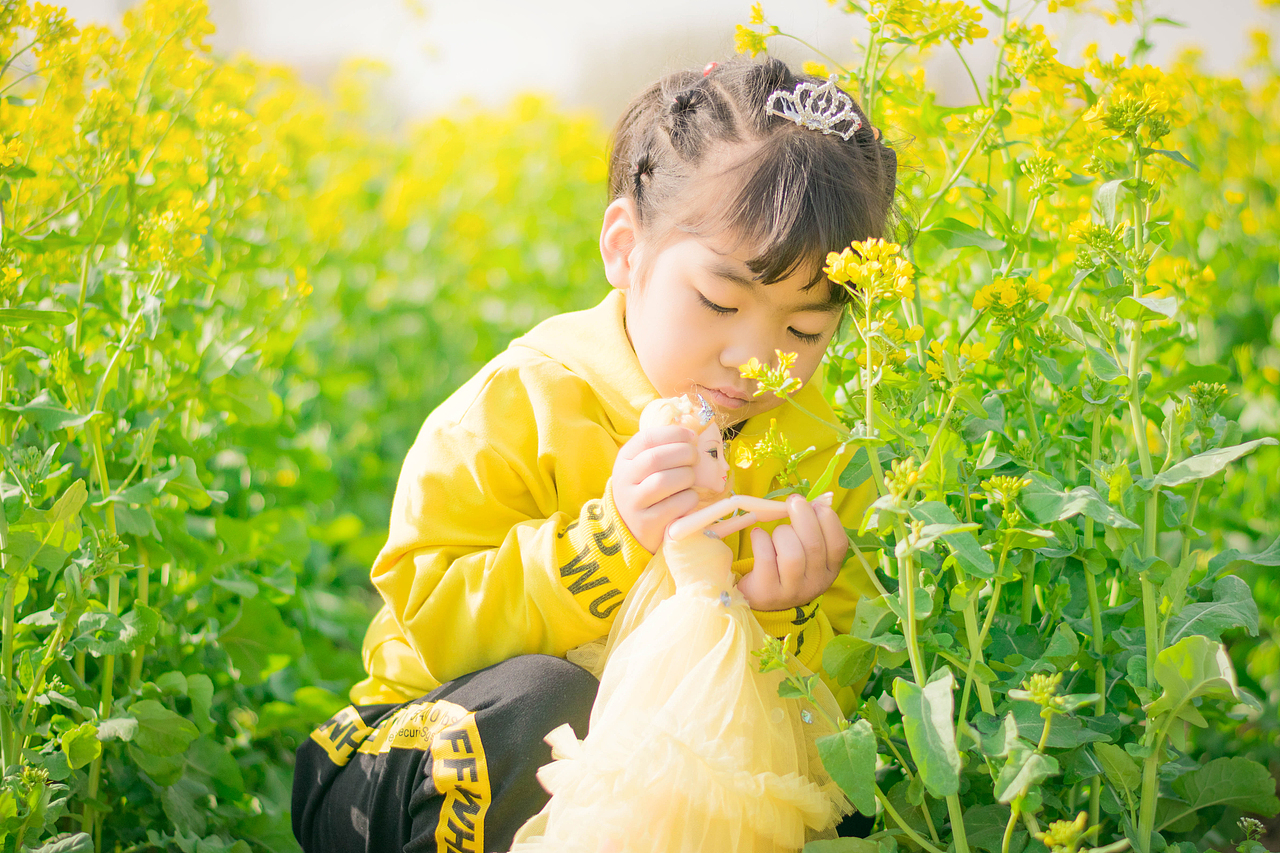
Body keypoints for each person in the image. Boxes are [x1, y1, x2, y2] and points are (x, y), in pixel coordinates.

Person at [292, 55, 897, 853]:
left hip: (650, 787)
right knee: (554, 706)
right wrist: (608, 538)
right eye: (719, 301)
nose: (755, 358)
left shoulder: (828, 458)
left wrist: (784, 617)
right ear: (625, 248)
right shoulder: (524, 400)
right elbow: (433, 625)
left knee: (844, 786)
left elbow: (827, 715)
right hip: (413, 752)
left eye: (804, 331)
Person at [510, 394, 852, 852]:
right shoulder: (684, 524)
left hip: (726, 622)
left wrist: (796, 511)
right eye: (713, 454)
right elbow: (745, 510)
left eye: (722, 453)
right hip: (697, 625)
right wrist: (792, 508)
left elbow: (743, 512)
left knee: (730, 731)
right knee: (679, 733)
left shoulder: (709, 517)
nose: (724, 466)